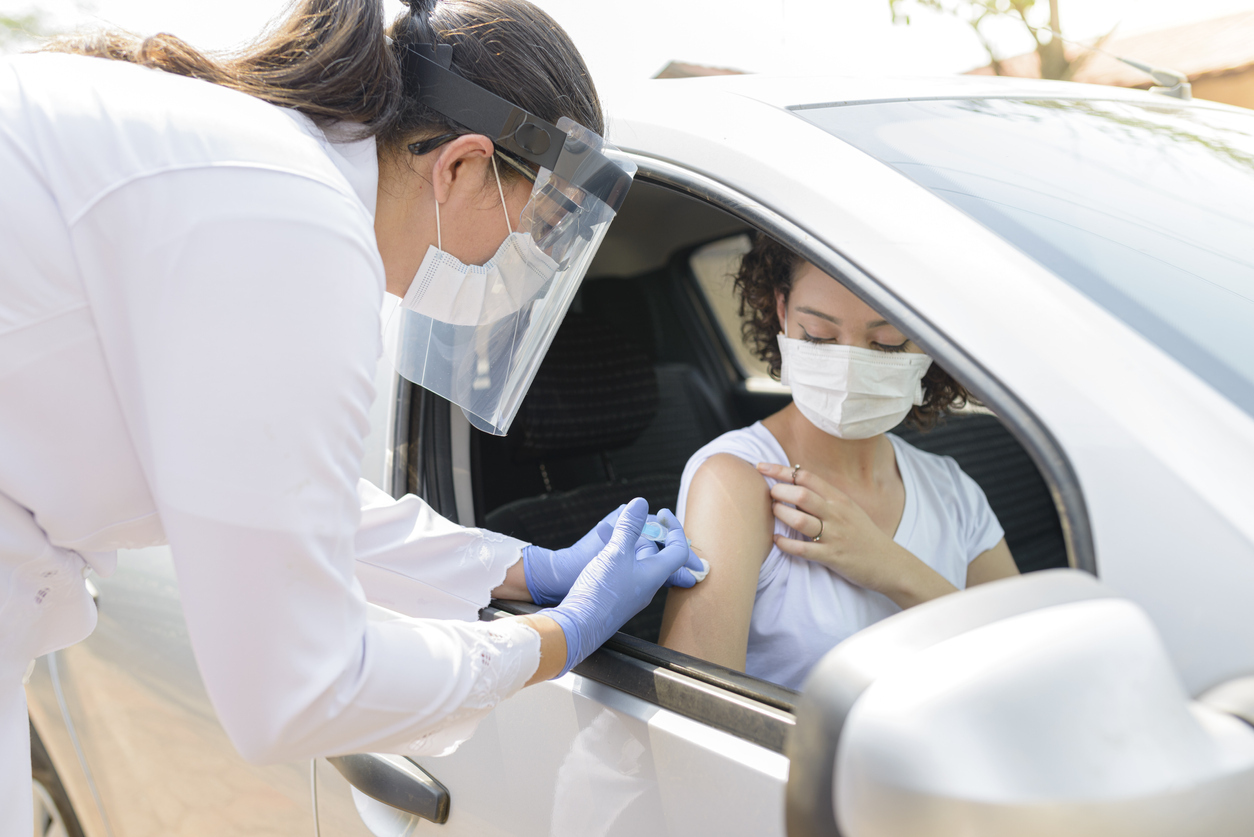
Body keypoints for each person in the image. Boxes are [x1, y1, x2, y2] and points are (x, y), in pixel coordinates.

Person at [0, 1, 706, 832]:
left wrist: (514, 568)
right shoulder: (292, 224)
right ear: (464, 167)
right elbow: (296, 688)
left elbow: (280, 495)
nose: (527, 270)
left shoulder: (259, 175)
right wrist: (556, 637)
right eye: (539, 232)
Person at [658, 234, 1019, 690]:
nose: (849, 370)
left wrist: (893, 568)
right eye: (820, 336)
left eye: (887, 343)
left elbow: (1026, 670)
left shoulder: (954, 492)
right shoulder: (735, 482)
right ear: (783, 312)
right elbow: (694, 715)